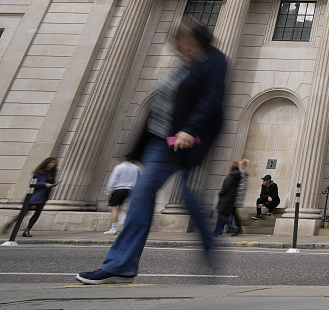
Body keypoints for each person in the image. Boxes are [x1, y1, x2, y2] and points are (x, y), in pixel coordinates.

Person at [76, 18, 226, 284]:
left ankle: (120, 265)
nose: (176, 43)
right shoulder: (187, 64)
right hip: (160, 141)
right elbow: (160, 108)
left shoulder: (214, 61)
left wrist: (189, 129)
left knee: (147, 196)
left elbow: (211, 101)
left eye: (180, 38)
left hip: (180, 141)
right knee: (175, 195)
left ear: (192, 39)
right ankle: (206, 240)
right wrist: (136, 149)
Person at [4, 157, 58, 238]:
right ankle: (9, 225)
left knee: (37, 214)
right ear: (46, 163)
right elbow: (33, 183)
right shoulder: (39, 173)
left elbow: (51, 183)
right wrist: (44, 184)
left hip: (44, 196)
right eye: (51, 163)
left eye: (54, 163)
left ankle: (27, 230)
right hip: (35, 196)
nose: (52, 164)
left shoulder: (53, 173)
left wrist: (54, 184)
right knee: (24, 213)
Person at [103, 157, 141, 236]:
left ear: (124, 159)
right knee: (120, 207)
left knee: (114, 209)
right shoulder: (137, 168)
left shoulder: (119, 167)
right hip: (130, 190)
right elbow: (140, 179)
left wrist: (107, 191)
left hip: (119, 189)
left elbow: (113, 179)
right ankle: (124, 217)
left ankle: (114, 229)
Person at [213, 162, 242, 236]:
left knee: (221, 215)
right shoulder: (237, 176)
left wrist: (220, 193)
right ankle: (219, 230)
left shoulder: (231, 176)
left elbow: (225, 187)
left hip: (226, 198)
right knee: (226, 215)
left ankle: (220, 230)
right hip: (231, 198)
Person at [231, 159, 249, 236]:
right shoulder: (244, 173)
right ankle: (238, 228)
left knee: (231, 212)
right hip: (238, 196)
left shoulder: (240, 173)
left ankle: (237, 228)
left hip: (235, 196)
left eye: (239, 163)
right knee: (233, 212)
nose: (238, 164)